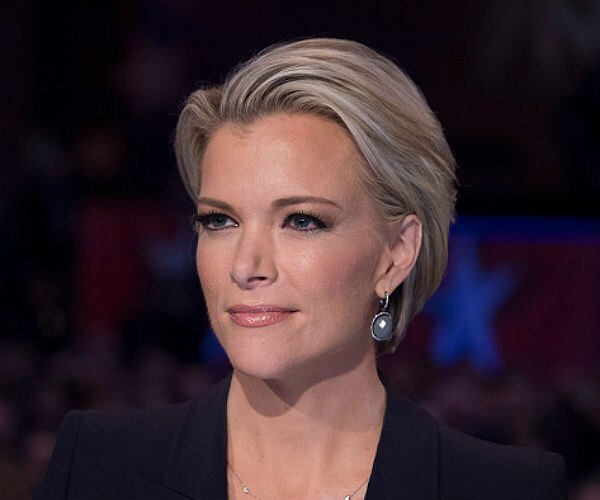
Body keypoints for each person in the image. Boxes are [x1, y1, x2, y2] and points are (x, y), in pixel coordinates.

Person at [35, 38, 566, 499]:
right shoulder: (98, 466)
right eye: (220, 221)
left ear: (396, 252)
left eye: (302, 221)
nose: (246, 266)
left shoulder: (505, 489)